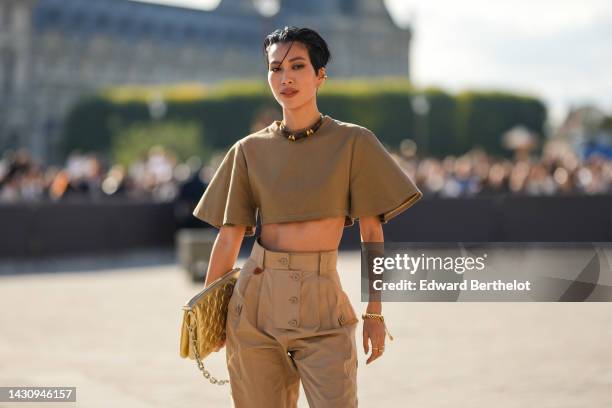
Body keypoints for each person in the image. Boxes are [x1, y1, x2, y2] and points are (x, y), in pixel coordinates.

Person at [192, 26, 422, 408]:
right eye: (275, 68)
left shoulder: (354, 142)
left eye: (297, 66)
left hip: (323, 304)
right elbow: (229, 238)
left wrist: (375, 312)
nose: (285, 77)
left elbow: (372, 231)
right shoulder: (248, 150)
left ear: (320, 75)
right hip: (255, 306)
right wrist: (207, 317)